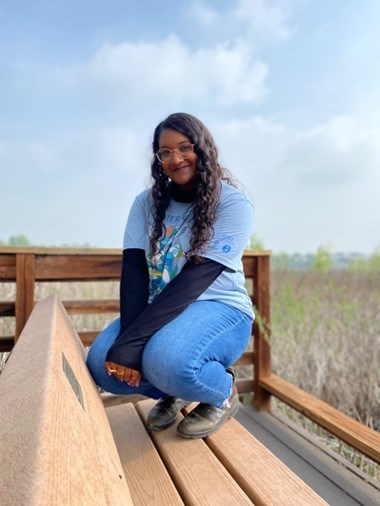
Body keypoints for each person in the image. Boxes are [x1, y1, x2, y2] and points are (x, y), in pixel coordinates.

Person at [87, 112, 254, 438]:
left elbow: (195, 279)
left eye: (184, 147)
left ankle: (222, 393)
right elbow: (134, 270)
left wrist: (134, 341)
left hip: (220, 308)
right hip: (159, 304)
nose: (175, 158)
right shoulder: (146, 203)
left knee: (166, 360)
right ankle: (175, 391)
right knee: (102, 366)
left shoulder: (233, 203)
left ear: (202, 148)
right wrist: (126, 347)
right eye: (165, 152)